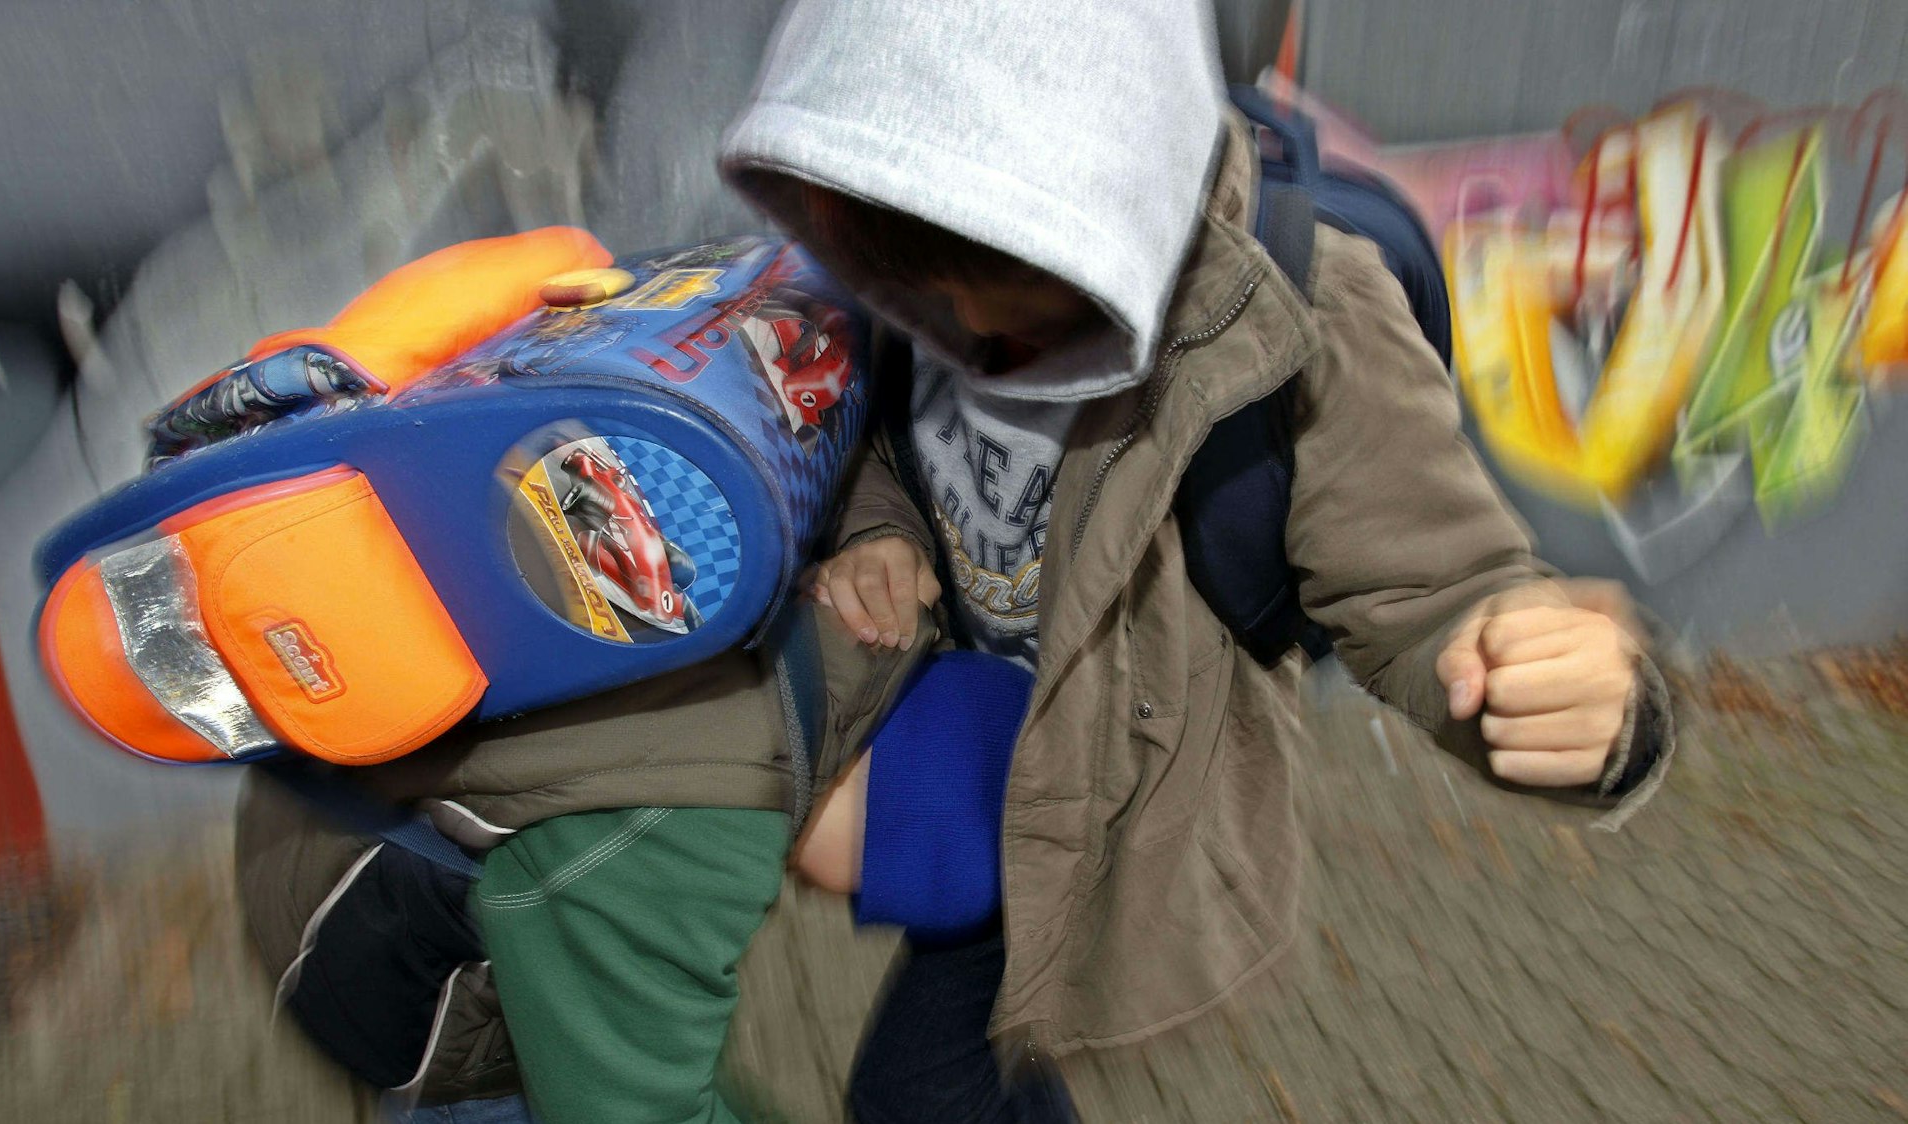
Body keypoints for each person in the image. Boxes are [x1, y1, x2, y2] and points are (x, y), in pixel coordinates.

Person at [716, 1, 1675, 1121]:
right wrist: (878, 529)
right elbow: (879, 426)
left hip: (1110, 802)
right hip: (957, 724)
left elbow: (1436, 593)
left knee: (919, 1086)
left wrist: (1579, 703)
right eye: (929, 308)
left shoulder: (1302, 310)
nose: (976, 347)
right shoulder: (898, 241)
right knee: (968, 1064)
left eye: (1034, 321)